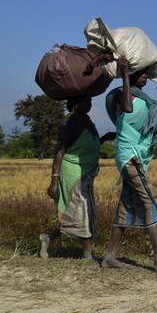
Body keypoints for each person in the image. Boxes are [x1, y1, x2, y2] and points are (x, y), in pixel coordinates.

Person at [100, 57, 157, 271]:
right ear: (131, 76)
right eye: (142, 75)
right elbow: (129, 109)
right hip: (128, 157)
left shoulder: (147, 102)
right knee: (150, 199)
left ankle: (109, 257)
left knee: (127, 207)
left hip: (139, 159)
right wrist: (124, 72)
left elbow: (154, 135)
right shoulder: (125, 97)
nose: (146, 79)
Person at [39, 96, 115, 260]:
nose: (89, 104)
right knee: (81, 211)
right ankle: (87, 253)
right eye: (85, 101)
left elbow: (88, 145)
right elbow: (60, 151)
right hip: (72, 174)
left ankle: (48, 238)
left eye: (90, 101)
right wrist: (54, 180)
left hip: (85, 172)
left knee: (79, 211)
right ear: (74, 104)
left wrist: (103, 139)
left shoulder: (86, 122)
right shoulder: (69, 123)